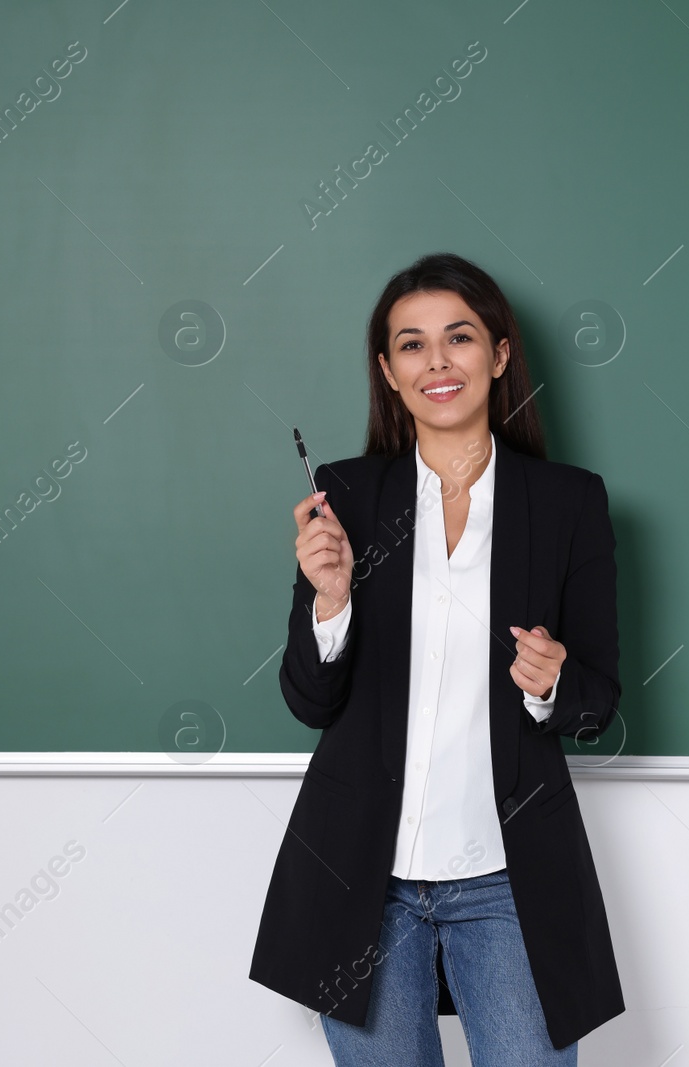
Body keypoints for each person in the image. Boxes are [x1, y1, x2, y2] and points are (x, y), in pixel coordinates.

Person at [249, 252, 624, 1064]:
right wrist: (330, 600)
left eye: (458, 337)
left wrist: (553, 682)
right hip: (362, 875)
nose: (437, 362)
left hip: (507, 877)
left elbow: (599, 701)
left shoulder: (568, 503)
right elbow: (309, 699)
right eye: (411, 345)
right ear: (388, 372)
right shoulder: (343, 497)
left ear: (498, 353)